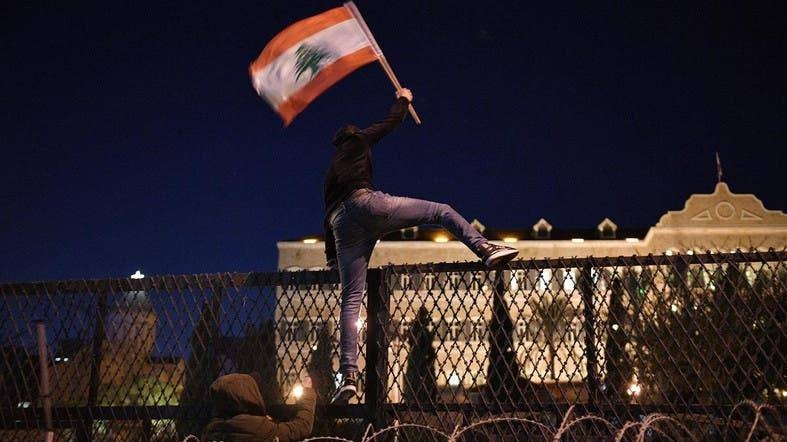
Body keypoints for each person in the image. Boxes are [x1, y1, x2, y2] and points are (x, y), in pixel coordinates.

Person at [324, 88, 519, 404]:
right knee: (439, 211)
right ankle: (485, 249)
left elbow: (327, 219)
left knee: (351, 299)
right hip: (366, 204)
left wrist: (334, 259)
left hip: (340, 224)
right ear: (354, 136)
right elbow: (386, 125)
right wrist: (403, 100)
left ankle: (347, 376)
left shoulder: (331, 170)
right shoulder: (357, 141)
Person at [202, 373, 316, 442]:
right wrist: (308, 393)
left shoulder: (212, 430)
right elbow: (301, 427)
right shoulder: (261, 428)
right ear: (250, 395)